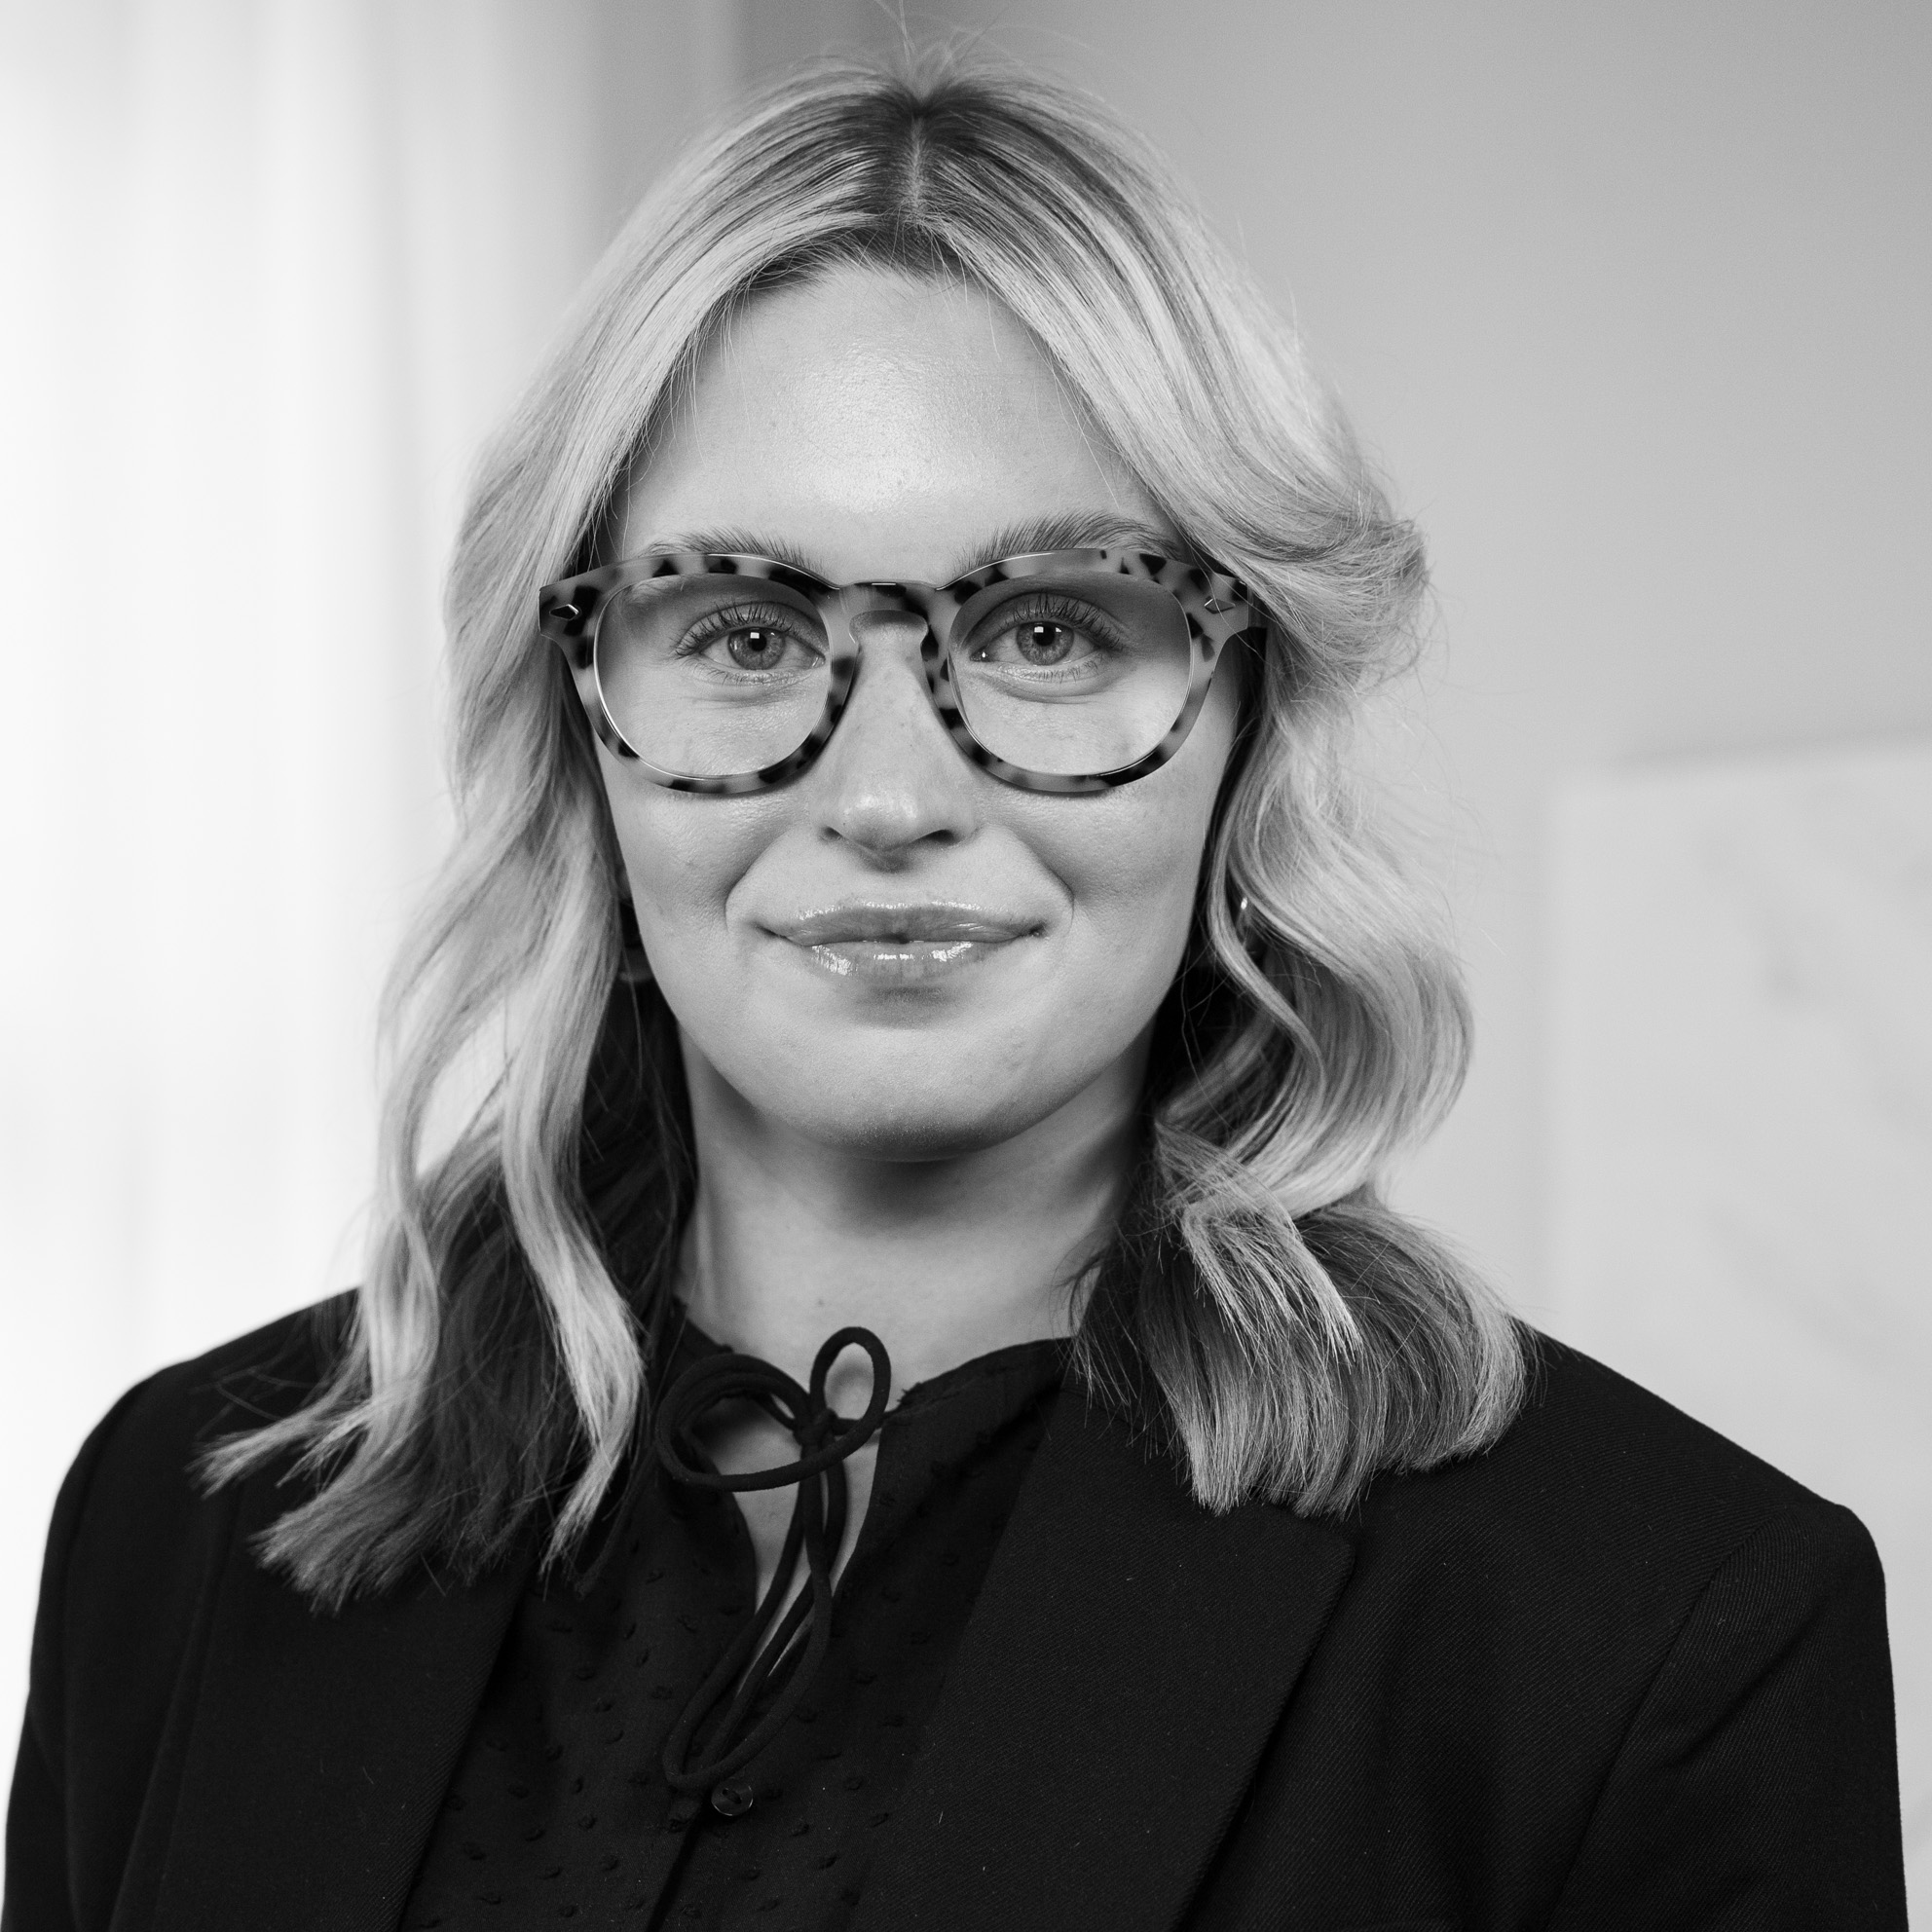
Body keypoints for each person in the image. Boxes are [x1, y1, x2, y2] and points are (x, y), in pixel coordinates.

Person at [3, 57, 1907, 1932]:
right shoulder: (181, 1527)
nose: (891, 796)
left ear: (1248, 721)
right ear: (579, 719)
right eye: (743, 630)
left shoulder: (1663, 1636)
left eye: (1047, 630)